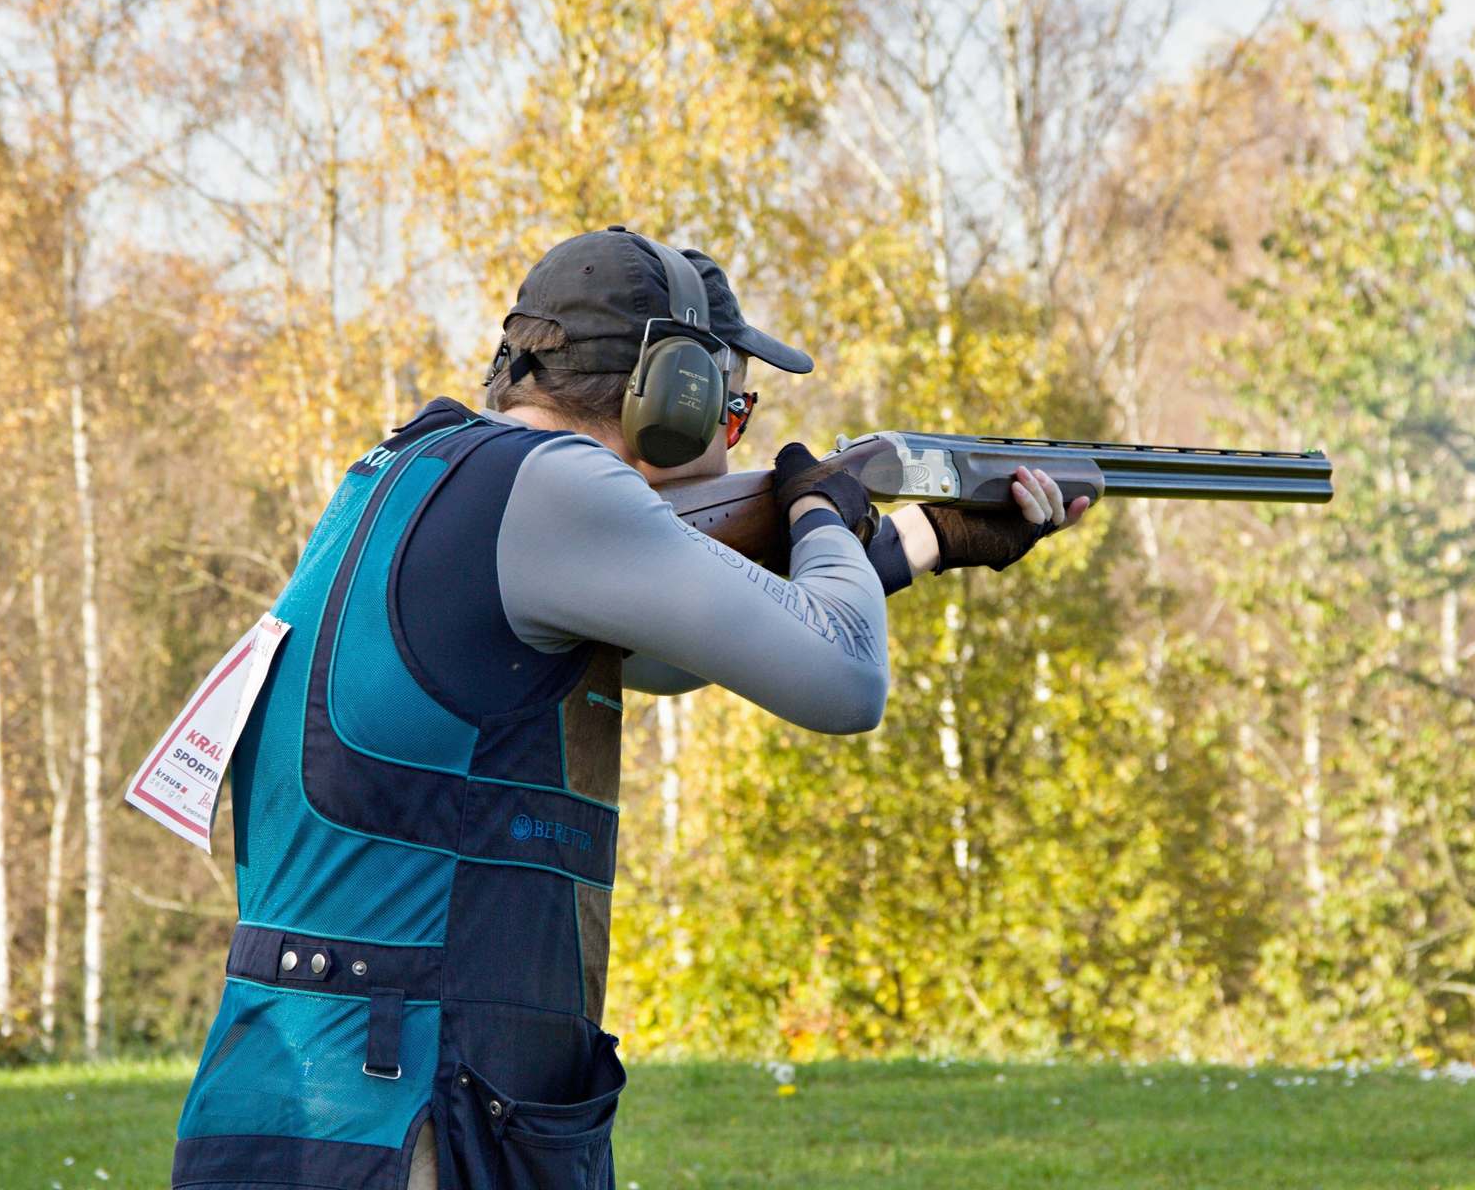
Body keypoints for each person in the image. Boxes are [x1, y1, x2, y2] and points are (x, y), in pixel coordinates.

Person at [169, 226, 1091, 1190]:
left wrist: (928, 538)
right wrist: (821, 509)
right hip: (407, 1118)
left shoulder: (414, 468)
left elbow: (681, 648)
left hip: (289, 1096)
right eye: (734, 410)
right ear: (675, 395)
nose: (733, 437)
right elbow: (847, 678)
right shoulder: (558, 483)